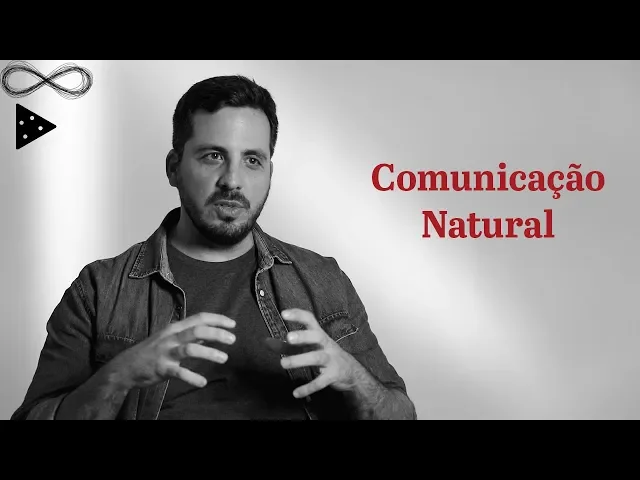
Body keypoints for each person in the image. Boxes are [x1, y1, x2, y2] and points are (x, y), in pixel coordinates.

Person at [11, 75, 417, 420]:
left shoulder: (323, 280)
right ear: (174, 167)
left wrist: (352, 376)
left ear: (269, 172)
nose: (232, 180)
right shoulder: (99, 290)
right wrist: (118, 376)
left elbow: (401, 413)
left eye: (252, 160)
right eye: (213, 156)